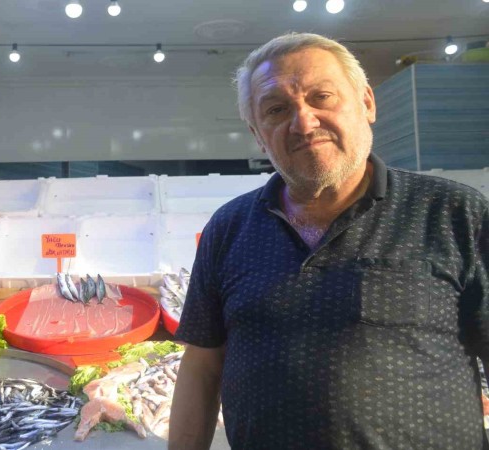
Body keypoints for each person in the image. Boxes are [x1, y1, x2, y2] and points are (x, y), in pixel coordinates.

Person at [169, 32, 489, 450]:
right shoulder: (228, 228)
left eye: (322, 97)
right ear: (257, 133)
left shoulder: (454, 213)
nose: (303, 123)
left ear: (367, 103)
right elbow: (202, 364)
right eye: (277, 109)